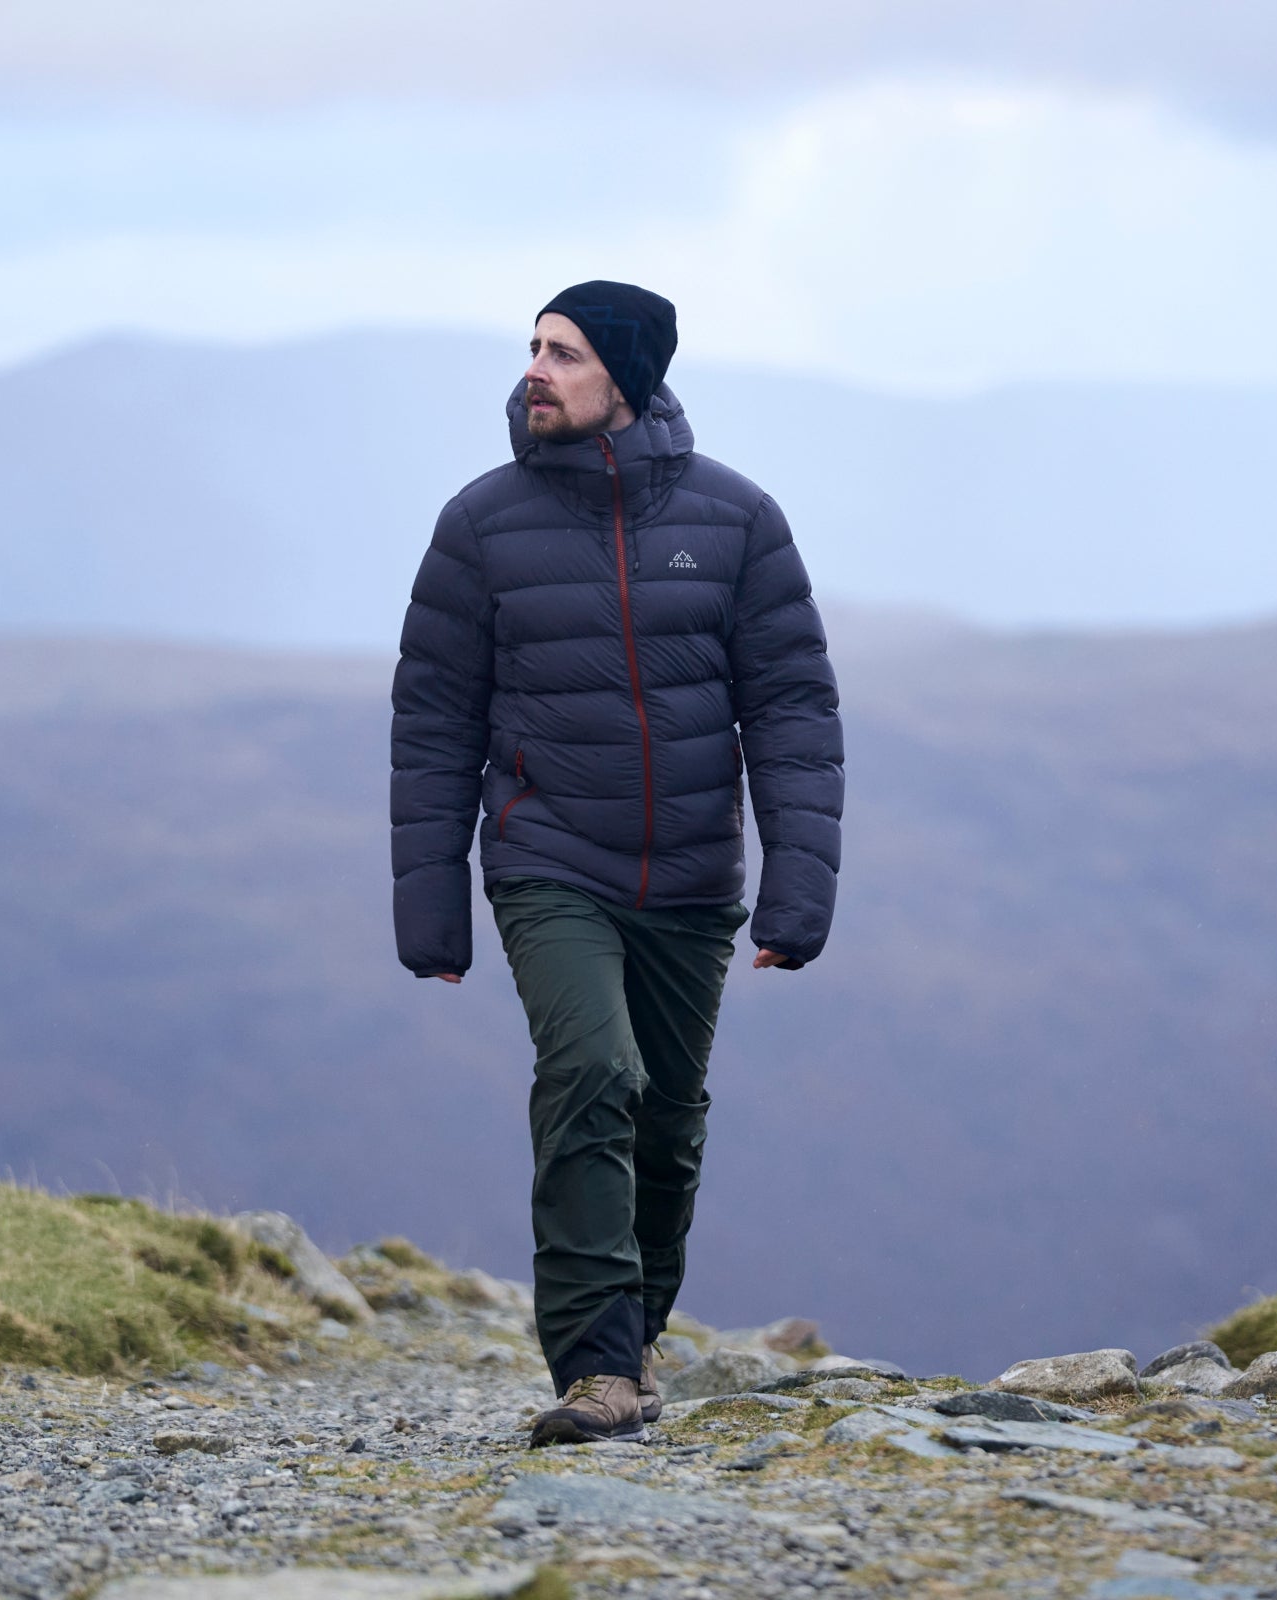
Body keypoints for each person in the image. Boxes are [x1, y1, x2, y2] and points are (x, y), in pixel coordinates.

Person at [390, 280, 843, 1446]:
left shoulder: (739, 521)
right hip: (550, 861)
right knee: (595, 1074)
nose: (537, 369)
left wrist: (799, 887)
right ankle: (595, 1366)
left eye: (568, 352)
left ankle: (634, 1335)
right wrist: (434, 903)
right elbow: (435, 720)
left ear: (628, 379)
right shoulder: (480, 525)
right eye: (534, 346)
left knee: (669, 1119)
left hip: (691, 878)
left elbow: (791, 711)